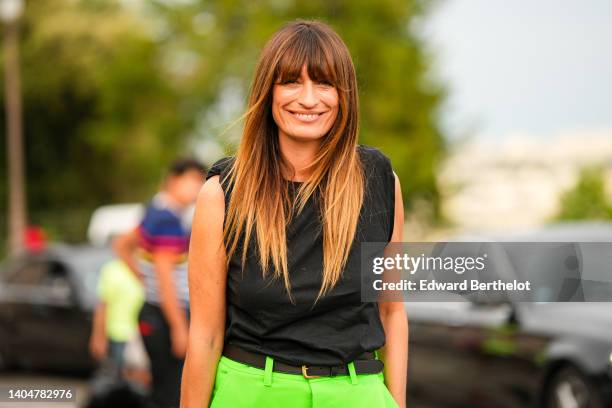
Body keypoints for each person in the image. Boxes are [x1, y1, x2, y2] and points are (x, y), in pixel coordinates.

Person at [181, 20, 408, 408]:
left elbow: (392, 312)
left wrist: (397, 402)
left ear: (344, 95)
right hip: (251, 393)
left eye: (324, 83)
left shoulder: (381, 181)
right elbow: (205, 335)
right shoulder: (221, 194)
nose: (308, 99)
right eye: (291, 82)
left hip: (358, 394)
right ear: (267, 91)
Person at [114, 158, 206, 408]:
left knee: (161, 389)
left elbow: (122, 245)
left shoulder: (154, 209)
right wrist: (179, 327)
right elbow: (166, 279)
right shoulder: (167, 219)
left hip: (153, 310)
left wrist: (145, 277)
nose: (198, 188)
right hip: (166, 317)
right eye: (193, 180)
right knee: (171, 393)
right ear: (174, 180)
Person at [89, 258, 145, 374]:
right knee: (119, 378)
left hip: (141, 336)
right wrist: (99, 337)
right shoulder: (112, 270)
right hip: (118, 336)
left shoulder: (144, 268)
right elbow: (102, 306)